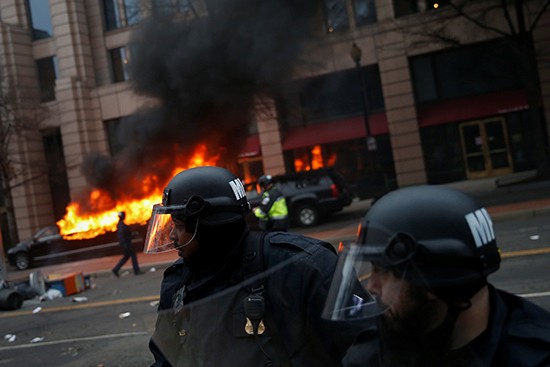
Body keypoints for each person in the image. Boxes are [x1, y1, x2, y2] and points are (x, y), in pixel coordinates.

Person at [144, 166, 362, 367]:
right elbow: (165, 361)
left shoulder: (303, 267)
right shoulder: (178, 284)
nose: (172, 236)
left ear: (210, 228)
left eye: (180, 226)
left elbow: (367, 348)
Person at [323, 185, 550, 367]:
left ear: (436, 280)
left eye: (385, 271)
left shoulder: (535, 356)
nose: (371, 286)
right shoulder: (373, 354)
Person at [112, 211, 142, 277]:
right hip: (127, 244)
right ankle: (136, 270)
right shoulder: (122, 226)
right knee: (133, 256)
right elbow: (126, 235)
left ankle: (116, 269)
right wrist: (133, 235)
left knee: (126, 257)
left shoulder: (119, 225)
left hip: (124, 244)